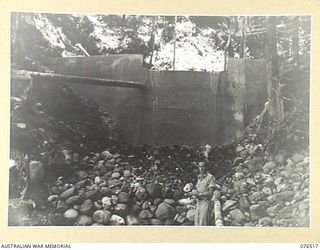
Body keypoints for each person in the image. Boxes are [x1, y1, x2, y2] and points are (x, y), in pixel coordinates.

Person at [190, 161, 216, 226]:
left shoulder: (210, 177)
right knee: (197, 223)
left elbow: (210, 193)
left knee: (203, 223)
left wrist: (199, 194)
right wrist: (193, 193)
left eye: (203, 166)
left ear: (206, 167)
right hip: (199, 202)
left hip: (206, 202)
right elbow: (197, 189)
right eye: (200, 167)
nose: (201, 168)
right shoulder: (199, 177)